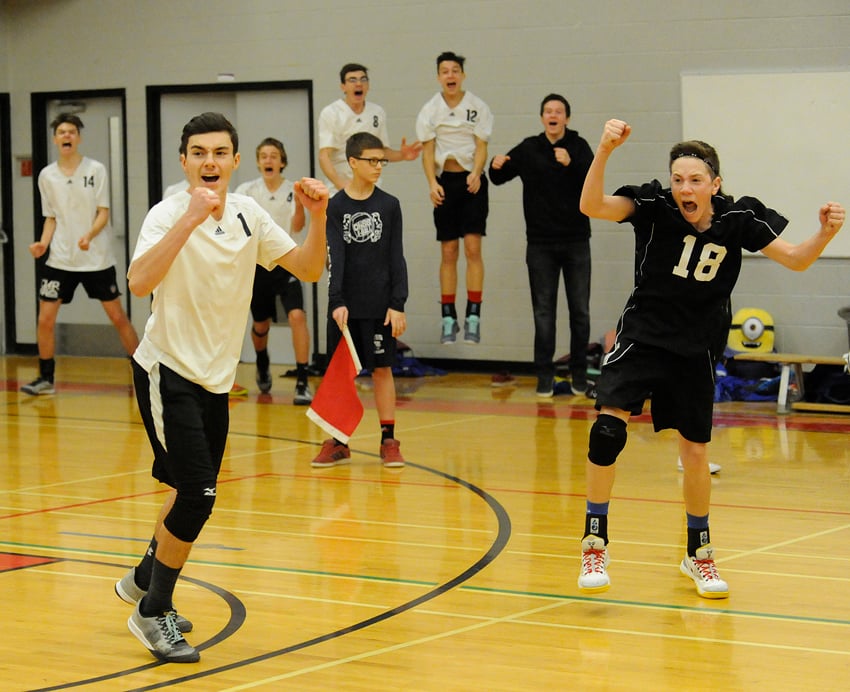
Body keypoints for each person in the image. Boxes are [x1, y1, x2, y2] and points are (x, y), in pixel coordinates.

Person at [576, 118, 845, 599]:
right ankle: (595, 539)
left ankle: (697, 552)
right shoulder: (654, 206)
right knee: (607, 430)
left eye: (695, 179)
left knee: (696, 451)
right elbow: (590, 205)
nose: (684, 188)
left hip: (696, 346)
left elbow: (798, 259)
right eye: (679, 179)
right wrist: (604, 149)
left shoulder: (739, 218)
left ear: (715, 184)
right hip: (643, 336)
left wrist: (824, 234)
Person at [115, 112, 328, 663]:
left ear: (235, 161)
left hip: (216, 378)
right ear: (185, 161)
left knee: (185, 488)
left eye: (220, 152)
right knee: (198, 493)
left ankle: (143, 576)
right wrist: (188, 219)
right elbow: (139, 283)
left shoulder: (249, 213)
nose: (210, 162)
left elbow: (306, 269)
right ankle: (152, 609)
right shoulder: (166, 214)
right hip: (168, 370)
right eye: (199, 153)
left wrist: (319, 217)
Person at [21, 113, 139, 395]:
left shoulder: (95, 170)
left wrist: (89, 235)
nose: (66, 136)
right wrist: (42, 244)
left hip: (96, 259)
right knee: (44, 319)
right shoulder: (46, 176)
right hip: (60, 259)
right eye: (61, 132)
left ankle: (144, 373)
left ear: (79, 138)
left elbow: (103, 212)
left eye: (72, 131)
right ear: (55, 138)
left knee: (118, 317)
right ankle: (46, 378)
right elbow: (50, 217)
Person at [311, 132, 409, 470]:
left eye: (382, 160)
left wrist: (398, 302)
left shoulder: (390, 205)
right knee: (340, 374)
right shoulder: (335, 206)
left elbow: (397, 257)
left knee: (382, 370)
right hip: (346, 307)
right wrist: (336, 300)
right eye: (372, 160)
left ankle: (389, 440)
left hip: (380, 306)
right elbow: (333, 256)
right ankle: (339, 441)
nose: (379, 166)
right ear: (352, 162)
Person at [489, 94, 594, 397]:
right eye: (548, 111)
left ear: (567, 118)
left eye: (559, 111)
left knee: (580, 312)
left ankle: (578, 375)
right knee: (543, 313)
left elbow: (591, 177)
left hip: (576, 241)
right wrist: (495, 166)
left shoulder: (578, 146)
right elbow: (499, 176)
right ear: (542, 118)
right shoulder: (530, 148)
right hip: (540, 244)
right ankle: (544, 376)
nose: (553, 115)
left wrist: (571, 164)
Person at [416, 51, 493, 345]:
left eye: (455, 70)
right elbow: (426, 152)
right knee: (449, 251)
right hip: (444, 184)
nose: (450, 75)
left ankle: (474, 313)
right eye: (445, 71)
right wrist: (431, 182)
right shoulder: (430, 110)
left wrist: (476, 171)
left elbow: (482, 145)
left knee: (473, 247)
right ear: (439, 76)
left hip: (472, 182)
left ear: (462, 75)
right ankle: (448, 316)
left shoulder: (477, 107)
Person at [235, 137, 313, 404]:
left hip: (287, 261)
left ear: (282, 161)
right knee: (261, 324)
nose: (269, 160)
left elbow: (299, 227)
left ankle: (302, 380)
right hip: (257, 266)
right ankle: (262, 361)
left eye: (274, 155)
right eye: (264, 156)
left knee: (296, 316)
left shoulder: (293, 190)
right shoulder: (246, 191)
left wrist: (302, 205)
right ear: (258, 162)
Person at [318, 62, 421, 194]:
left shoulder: (377, 112)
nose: (358, 84)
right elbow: (324, 156)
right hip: (339, 189)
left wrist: (402, 155)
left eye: (363, 79)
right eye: (352, 80)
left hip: (372, 189)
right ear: (343, 87)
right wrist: (340, 185)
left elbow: (382, 152)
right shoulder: (331, 113)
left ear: (368, 86)